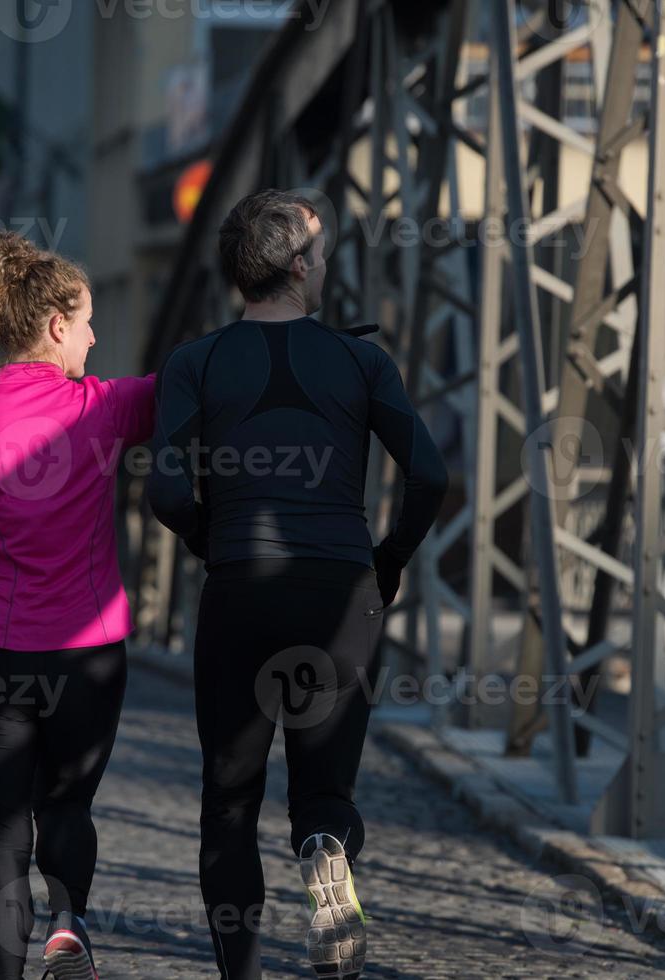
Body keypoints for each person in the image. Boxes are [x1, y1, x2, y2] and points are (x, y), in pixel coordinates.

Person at [147, 189, 448, 979]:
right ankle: (323, 850)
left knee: (229, 803)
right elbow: (429, 474)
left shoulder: (194, 362)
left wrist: (213, 541)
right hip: (341, 593)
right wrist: (388, 557)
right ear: (299, 266)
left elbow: (167, 493)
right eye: (318, 256)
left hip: (240, 589)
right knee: (323, 787)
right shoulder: (360, 360)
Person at [0, 232, 155, 980]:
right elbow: (196, 387)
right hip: (89, 655)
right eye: (85, 322)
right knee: (67, 810)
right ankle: (68, 925)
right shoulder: (105, 409)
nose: (94, 336)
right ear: (54, 328)